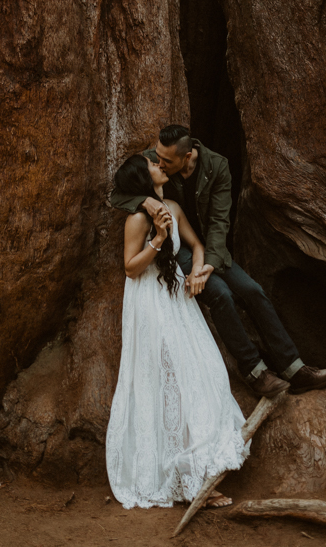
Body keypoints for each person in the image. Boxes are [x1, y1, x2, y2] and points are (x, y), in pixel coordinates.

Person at [110, 125, 326, 398]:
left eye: (166, 161)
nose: (159, 162)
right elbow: (120, 190)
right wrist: (145, 200)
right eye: (156, 157)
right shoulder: (156, 160)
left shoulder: (217, 166)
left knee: (252, 290)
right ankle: (255, 372)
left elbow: (219, 223)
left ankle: (294, 368)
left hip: (209, 248)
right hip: (174, 249)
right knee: (220, 295)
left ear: (187, 156)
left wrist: (204, 266)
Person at [106, 153, 249, 510]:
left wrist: (198, 272)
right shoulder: (138, 219)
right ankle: (188, 477)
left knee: (205, 373)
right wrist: (157, 239)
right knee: (170, 384)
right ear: (144, 177)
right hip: (150, 304)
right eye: (153, 163)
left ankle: (198, 467)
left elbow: (197, 245)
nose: (160, 164)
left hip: (177, 301)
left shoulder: (172, 205)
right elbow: (130, 268)